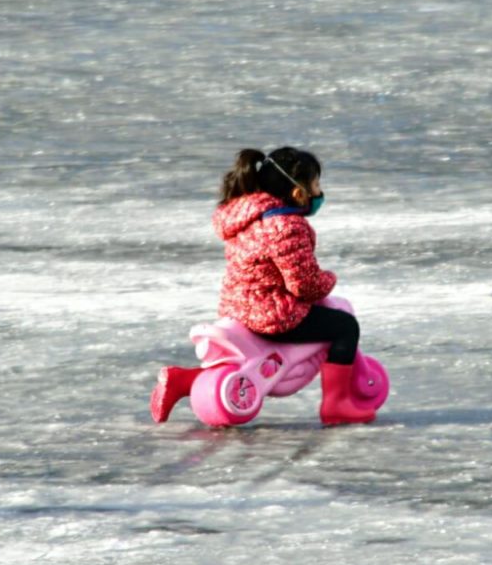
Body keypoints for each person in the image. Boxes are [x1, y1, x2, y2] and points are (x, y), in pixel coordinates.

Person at [150, 146, 373, 425]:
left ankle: (182, 381)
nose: (319, 191)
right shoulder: (287, 225)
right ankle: (336, 404)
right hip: (272, 314)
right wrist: (328, 279)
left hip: (238, 307)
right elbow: (304, 285)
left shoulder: (249, 216)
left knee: (257, 358)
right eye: (316, 184)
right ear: (298, 192)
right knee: (345, 327)